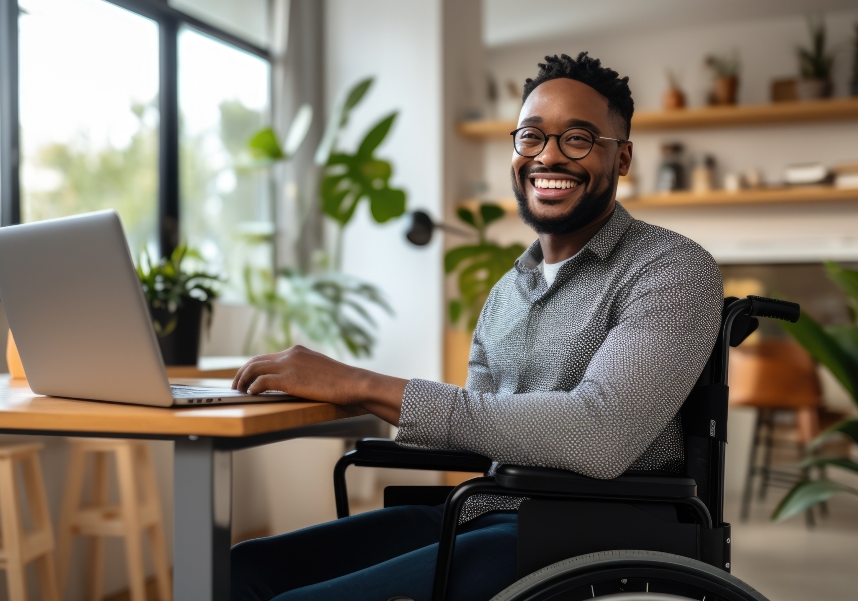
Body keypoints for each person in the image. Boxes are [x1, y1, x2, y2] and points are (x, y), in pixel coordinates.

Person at [229, 52, 723, 601]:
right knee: (238, 571)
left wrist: (364, 385)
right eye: (531, 137)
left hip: (589, 533)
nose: (548, 156)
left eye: (578, 139)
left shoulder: (670, 267)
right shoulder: (508, 291)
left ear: (623, 157)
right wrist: (352, 398)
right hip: (483, 512)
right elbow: (483, 424)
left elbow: (599, 435)